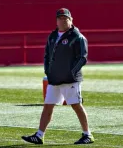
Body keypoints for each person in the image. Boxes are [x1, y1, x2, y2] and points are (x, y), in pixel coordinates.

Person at [21, 8, 94, 145]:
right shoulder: (53, 36)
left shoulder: (77, 37)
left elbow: (82, 58)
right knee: (48, 106)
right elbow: (47, 55)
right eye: (60, 18)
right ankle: (39, 135)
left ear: (71, 20)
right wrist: (47, 71)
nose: (63, 20)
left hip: (70, 80)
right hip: (54, 79)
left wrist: (72, 72)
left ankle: (87, 134)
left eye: (65, 18)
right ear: (56, 21)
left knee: (76, 105)